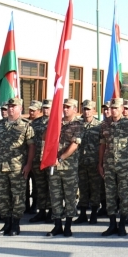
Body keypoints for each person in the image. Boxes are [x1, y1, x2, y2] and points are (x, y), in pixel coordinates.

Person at [0, 97, 34, 236]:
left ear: (20, 108)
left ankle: (15, 224)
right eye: (9, 106)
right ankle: (6, 223)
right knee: (3, 196)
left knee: (17, 196)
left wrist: (28, 164)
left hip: (17, 166)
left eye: (13, 106)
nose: (10, 108)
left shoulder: (26, 126)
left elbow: (31, 146)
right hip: (1, 165)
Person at [98, 98, 128, 237]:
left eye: (116, 108)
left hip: (124, 164)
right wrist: (100, 164)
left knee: (124, 194)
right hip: (108, 165)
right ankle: (112, 224)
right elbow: (102, 145)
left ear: (122, 109)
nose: (113, 110)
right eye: (112, 108)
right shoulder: (104, 125)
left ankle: (122, 225)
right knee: (110, 195)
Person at [47, 99, 83, 237]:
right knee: (55, 196)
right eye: (64, 107)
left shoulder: (78, 125)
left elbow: (74, 145)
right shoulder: (56, 123)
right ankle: (57, 225)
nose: (65, 109)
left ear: (74, 109)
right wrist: (51, 126)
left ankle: (68, 226)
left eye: (68, 107)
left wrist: (60, 158)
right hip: (53, 165)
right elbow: (46, 138)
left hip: (68, 166)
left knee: (69, 196)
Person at [75, 100, 102, 225]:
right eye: (84, 109)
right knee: (83, 188)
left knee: (95, 188)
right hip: (80, 162)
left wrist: (100, 163)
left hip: (94, 162)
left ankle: (94, 214)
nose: (86, 112)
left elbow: (103, 145)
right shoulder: (77, 125)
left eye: (89, 109)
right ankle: (83, 214)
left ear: (93, 110)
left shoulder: (99, 126)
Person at [27, 101, 51, 223]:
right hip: (37, 158)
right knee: (40, 186)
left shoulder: (57, 122)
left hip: (50, 159)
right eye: (44, 108)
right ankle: (41, 211)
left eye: (48, 108)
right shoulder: (35, 123)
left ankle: (52, 211)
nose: (46, 110)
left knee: (52, 186)